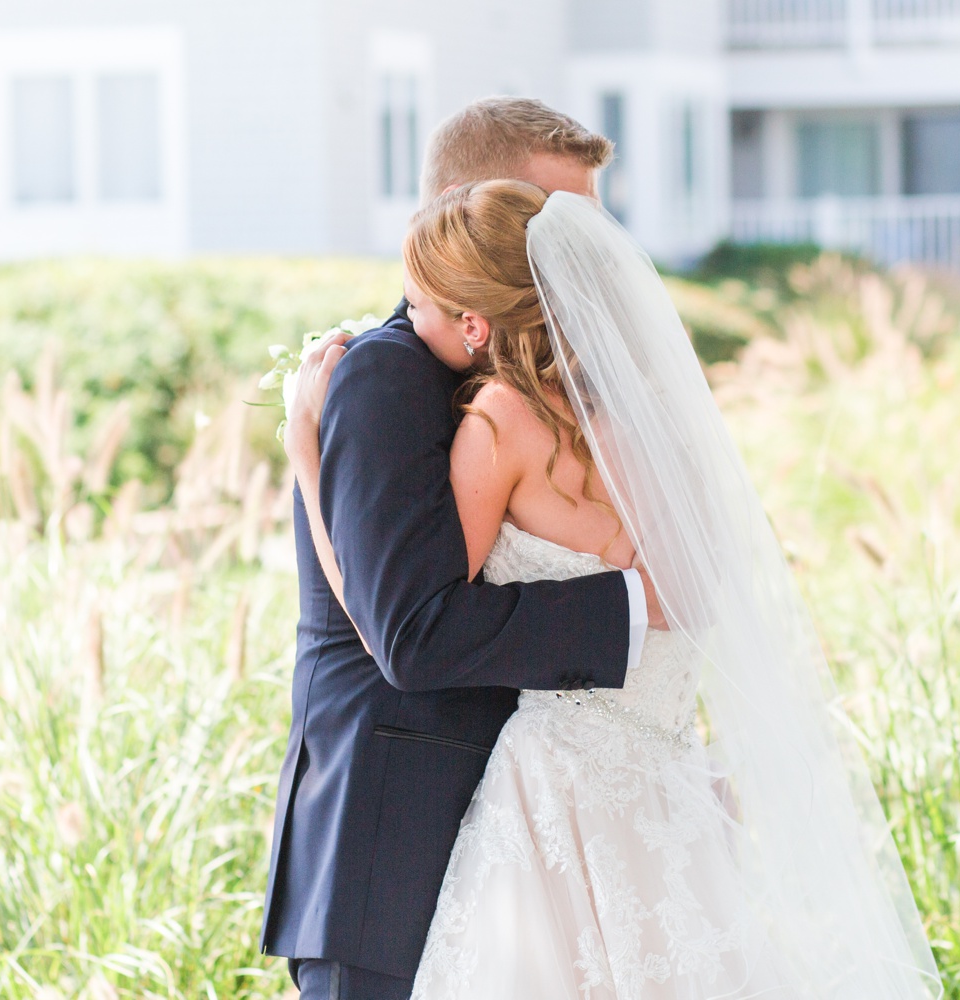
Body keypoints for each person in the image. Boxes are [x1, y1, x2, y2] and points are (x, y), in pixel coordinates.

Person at [294, 179, 944, 998]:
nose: (407, 320)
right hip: (671, 787)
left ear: (474, 322)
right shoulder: (662, 423)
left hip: (556, 789)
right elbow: (694, 600)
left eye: (418, 301)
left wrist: (306, 459)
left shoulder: (498, 424)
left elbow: (403, 629)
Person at [261, 98, 665, 1000]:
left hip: (531, 835)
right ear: (465, 206)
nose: (575, 248)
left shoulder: (544, 387)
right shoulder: (387, 374)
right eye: (550, 219)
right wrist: (637, 607)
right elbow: (408, 632)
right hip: (391, 841)